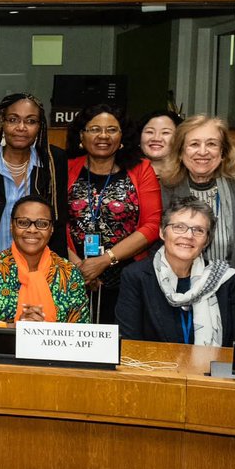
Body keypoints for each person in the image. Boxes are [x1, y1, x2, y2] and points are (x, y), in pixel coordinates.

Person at [0, 92, 69, 298]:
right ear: (2, 123)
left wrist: (59, 278)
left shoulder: (53, 162)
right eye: (13, 119)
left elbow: (58, 224)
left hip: (39, 277)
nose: (21, 128)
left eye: (31, 121)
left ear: (40, 127)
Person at [66, 103, 162, 323]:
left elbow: (152, 224)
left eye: (111, 130)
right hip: (73, 274)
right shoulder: (67, 167)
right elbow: (55, 220)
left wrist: (104, 260)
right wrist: (80, 267)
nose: (103, 136)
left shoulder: (141, 169)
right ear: (81, 135)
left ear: (122, 136)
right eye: (94, 129)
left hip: (127, 276)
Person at [117, 197, 235, 345]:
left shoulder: (224, 279)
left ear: (206, 241)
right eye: (179, 227)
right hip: (155, 367)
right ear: (162, 232)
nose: (188, 236)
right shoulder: (136, 276)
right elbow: (129, 343)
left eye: (198, 230)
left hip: (212, 367)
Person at [159, 114, 235, 295]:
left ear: (223, 152)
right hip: (178, 292)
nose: (203, 152)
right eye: (194, 144)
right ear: (180, 152)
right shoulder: (165, 189)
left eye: (211, 144)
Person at [0, 195, 89, 329]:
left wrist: (45, 332)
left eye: (42, 224)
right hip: (2, 349)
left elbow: (82, 326)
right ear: (11, 226)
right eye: (23, 222)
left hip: (56, 349)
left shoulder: (69, 272)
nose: (32, 230)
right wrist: (14, 327)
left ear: (51, 229)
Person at [135, 109, 183, 178]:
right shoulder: (126, 174)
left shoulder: (189, 175)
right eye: (150, 132)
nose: (156, 138)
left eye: (165, 133)